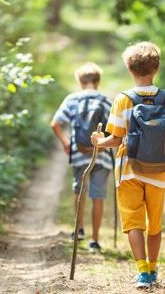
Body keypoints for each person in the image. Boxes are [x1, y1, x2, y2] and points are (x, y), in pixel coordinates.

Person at [91, 42, 165, 288]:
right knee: (154, 225)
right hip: (159, 171)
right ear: (156, 68)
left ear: (129, 70)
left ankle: (142, 271)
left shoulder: (123, 100)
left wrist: (98, 142)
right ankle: (154, 269)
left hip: (129, 170)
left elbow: (115, 139)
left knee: (134, 222)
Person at [51, 62, 113, 253]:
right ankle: (94, 240)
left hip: (79, 154)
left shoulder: (72, 100)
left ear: (80, 81)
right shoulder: (105, 100)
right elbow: (117, 128)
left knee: (79, 191)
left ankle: (78, 230)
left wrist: (65, 143)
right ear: (98, 81)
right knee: (98, 196)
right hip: (101, 155)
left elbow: (55, 124)